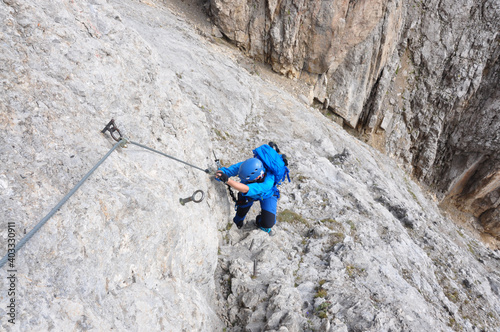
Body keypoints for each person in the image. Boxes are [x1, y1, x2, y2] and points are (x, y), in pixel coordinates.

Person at [215, 157, 280, 235]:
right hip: (248, 195)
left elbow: (246, 189)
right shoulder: (245, 167)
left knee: (268, 223)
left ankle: (259, 221)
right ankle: (238, 223)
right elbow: (228, 171)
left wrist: (227, 180)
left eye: (248, 179)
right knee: (241, 211)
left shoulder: (268, 182)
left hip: (267, 195)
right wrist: (220, 173)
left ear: (257, 177)